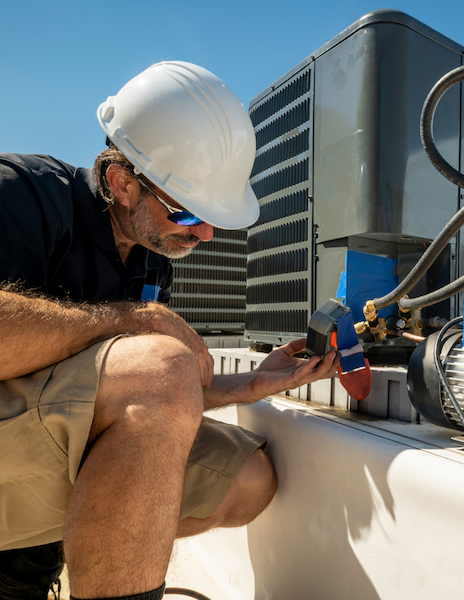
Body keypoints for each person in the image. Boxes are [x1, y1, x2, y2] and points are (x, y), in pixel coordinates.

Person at [0, 61, 338, 600]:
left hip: (47, 472)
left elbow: (150, 398)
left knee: (249, 479)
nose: (203, 233)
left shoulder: (152, 263)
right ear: (121, 183)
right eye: (185, 214)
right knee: (160, 362)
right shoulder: (25, 196)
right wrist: (133, 320)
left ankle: (77, 561)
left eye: (210, 218)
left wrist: (252, 384)